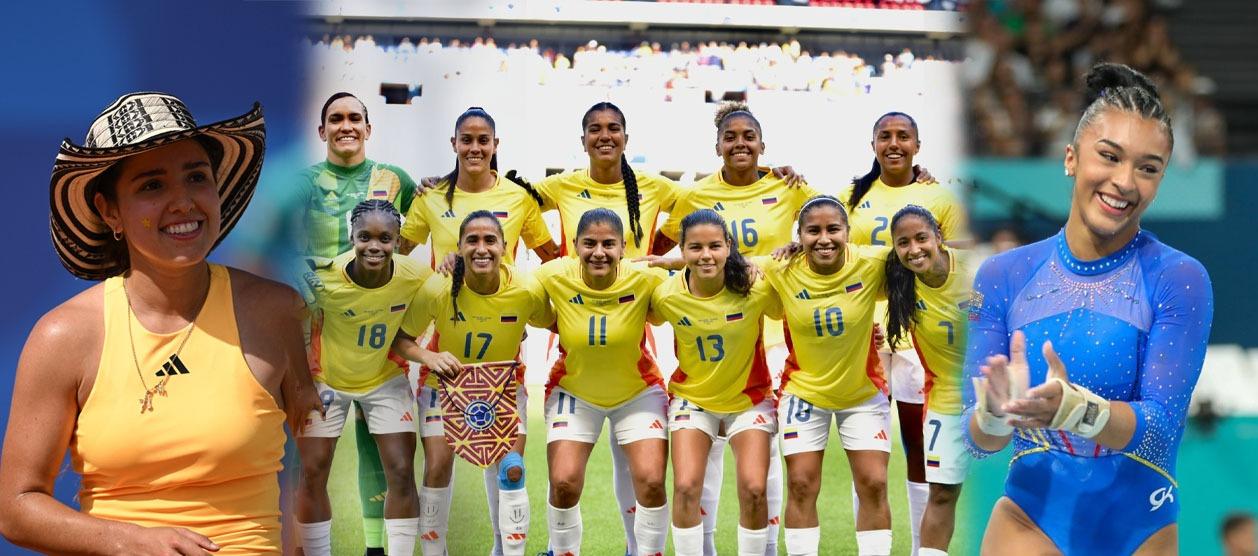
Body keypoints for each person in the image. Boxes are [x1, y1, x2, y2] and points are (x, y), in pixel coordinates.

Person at [0, 92, 318, 554]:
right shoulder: (64, 337)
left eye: (196, 177)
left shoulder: (278, 313)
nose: (183, 202)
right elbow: (16, 506)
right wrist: (130, 541)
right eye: (152, 186)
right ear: (110, 211)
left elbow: (332, 469)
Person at [965, 63, 1214, 555]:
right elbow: (974, 440)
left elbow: (1161, 431)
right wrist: (994, 415)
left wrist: (1075, 409)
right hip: (1030, 519)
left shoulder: (1179, 278)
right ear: (1071, 158)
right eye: (1109, 156)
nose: (1124, 181)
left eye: (1147, 168)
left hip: (1138, 526)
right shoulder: (1001, 276)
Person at [653, 102, 816, 555]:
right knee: (699, 469)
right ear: (718, 145)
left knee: (764, 468)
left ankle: (763, 548)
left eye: (749, 137)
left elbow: (827, 229)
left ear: (762, 145)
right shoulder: (696, 194)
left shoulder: (787, 187)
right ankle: (701, 547)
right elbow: (667, 245)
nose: (740, 144)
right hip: (711, 328)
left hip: (773, 336)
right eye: (731, 138)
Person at [295, 91, 420, 555]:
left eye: (355, 118)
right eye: (336, 119)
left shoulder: (396, 180)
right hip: (315, 340)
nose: (346, 126)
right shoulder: (301, 183)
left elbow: (420, 231)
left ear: (369, 129)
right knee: (309, 459)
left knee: (384, 449)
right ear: (322, 130)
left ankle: (375, 548)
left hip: (377, 333)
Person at [840, 111, 966, 553]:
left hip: (917, 331)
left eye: (903, 136)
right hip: (864, 334)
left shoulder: (939, 197)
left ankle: (919, 546)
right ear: (872, 143)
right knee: (868, 451)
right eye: (884, 136)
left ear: (917, 144)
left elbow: (958, 254)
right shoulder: (852, 197)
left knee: (917, 442)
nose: (893, 144)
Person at [392, 210, 553, 556]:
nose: (482, 248)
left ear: (504, 247)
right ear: (460, 248)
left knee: (511, 469)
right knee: (436, 465)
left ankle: (505, 550)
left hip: (503, 390)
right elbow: (401, 340)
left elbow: (553, 320)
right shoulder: (437, 287)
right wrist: (430, 357)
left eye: (490, 240)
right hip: (444, 388)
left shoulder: (525, 289)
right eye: (473, 240)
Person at [533, 208, 670, 556]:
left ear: (623, 248)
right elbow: (508, 285)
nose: (599, 252)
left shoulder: (645, 278)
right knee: (563, 482)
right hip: (575, 392)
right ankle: (562, 551)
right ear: (575, 245)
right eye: (589, 243)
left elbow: (700, 278)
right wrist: (453, 265)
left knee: (652, 482)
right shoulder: (553, 274)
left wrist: (680, 261)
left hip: (637, 392)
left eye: (609, 244)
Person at [763, 195, 894, 556]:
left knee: (874, 482)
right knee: (802, 484)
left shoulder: (871, 262)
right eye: (813, 231)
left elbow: (930, 248)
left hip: (862, 394)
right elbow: (726, 261)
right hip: (804, 393)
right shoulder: (781, 268)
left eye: (833, 229)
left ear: (847, 233)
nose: (824, 238)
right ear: (799, 236)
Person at [648, 209, 781, 556]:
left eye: (714, 246)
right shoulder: (666, 296)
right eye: (695, 248)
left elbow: (793, 299)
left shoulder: (754, 288)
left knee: (754, 488)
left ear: (728, 248)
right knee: (686, 486)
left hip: (749, 399)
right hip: (693, 399)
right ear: (682, 250)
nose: (706, 255)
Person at [882, 205, 972, 556]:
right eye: (903, 242)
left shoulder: (975, 271)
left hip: (999, 398)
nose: (914, 248)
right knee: (942, 492)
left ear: (938, 235)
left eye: (921, 237)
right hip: (946, 399)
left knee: (1014, 493)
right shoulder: (899, 279)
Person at [398, 107, 560, 266]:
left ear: (495, 144)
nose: (475, 148)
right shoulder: (430, 196)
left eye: (483, 140)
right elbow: (396, 254)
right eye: (466, 140)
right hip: (445, 293)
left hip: (502, 294)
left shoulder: (519, 197)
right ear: (454, 144)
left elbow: (553, 258)